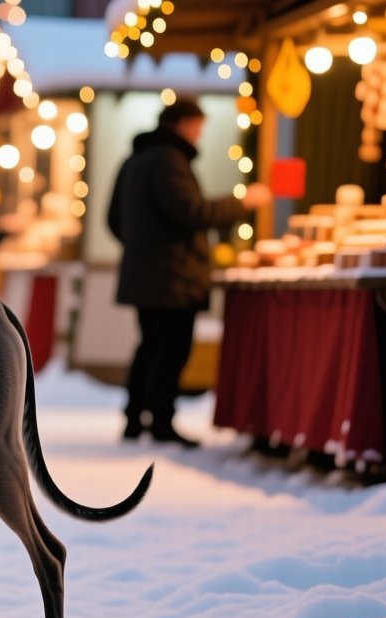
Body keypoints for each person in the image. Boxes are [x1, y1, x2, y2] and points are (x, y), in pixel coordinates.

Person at [108, 97, 271, 447]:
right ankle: (161, 422)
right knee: (170, 350)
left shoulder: (134, 160)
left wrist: (140, 247)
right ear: (182, 124)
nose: (199, 135)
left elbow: (113, 219)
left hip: (146, 273)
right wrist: (243, 202)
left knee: (149, 345)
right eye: (198, 127)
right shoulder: (169, 160)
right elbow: (193, 212)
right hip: (173, 276)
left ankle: (135, 418)